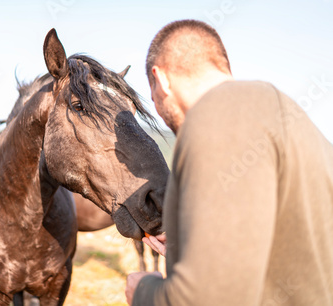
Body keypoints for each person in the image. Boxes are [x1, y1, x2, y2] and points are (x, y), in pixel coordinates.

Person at [125, 19, 333, 305]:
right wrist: (191, 247)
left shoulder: (216, 115)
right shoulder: (288, 115)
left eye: (153, 97)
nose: (160, 113)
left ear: (161, 80)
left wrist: (144, 291)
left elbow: (208, 298)